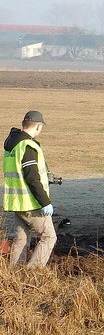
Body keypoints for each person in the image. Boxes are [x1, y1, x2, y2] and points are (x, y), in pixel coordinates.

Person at [2, 111, 57, 268]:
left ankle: (15, 273)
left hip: (17, 203)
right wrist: (45, 202)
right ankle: (33, 272)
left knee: (22, 238)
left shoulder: (12, 146)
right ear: (38, 126)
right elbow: (32, 178)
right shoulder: (28, 146)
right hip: (31, 204)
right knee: (49, 236)